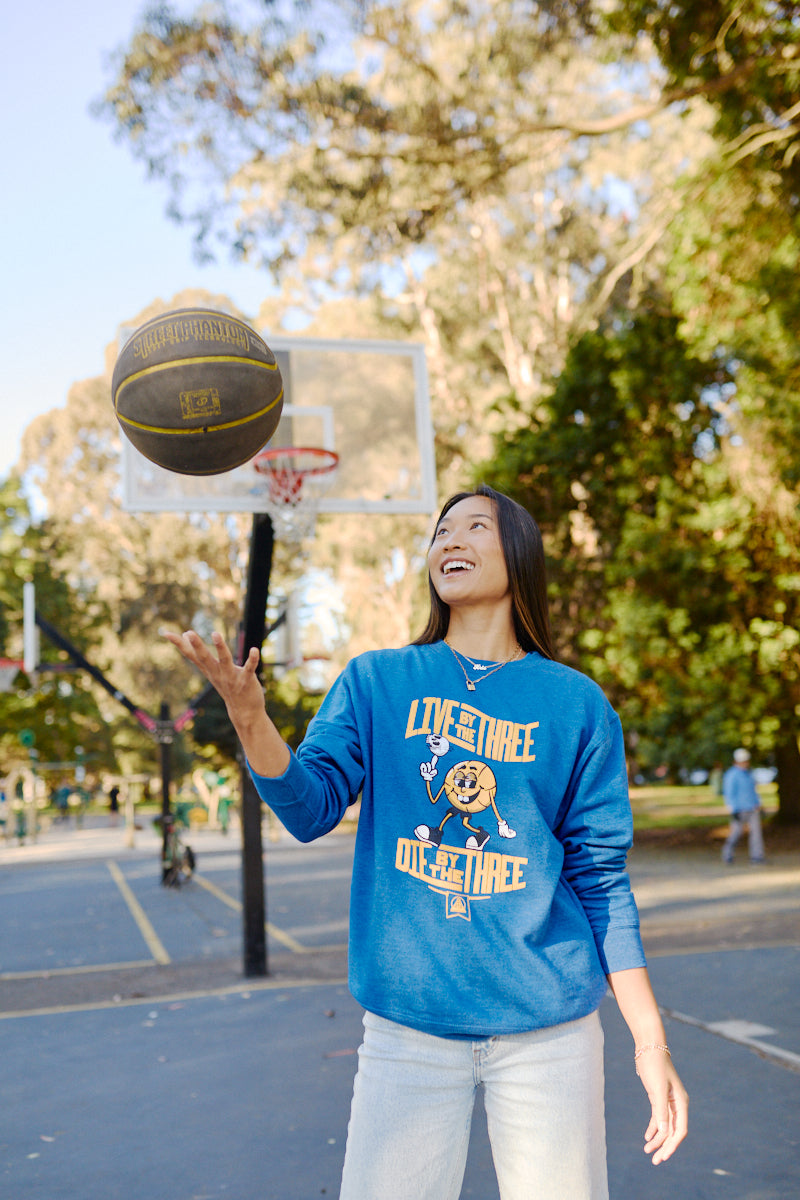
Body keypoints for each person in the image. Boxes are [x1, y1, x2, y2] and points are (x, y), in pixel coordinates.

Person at [165, 484, 688, 1199]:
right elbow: (308, 808)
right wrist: (251, 720)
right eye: (441, 532)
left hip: (548, 1035)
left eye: (476, 526)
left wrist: (650, 1043)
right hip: (407, 1035)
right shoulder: (378, 681)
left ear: (520, 557)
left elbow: (600, 881)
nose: (451, 541)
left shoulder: (575, 704)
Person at [721, 748, 765, 865]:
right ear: (737, 761)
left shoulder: (749, 773)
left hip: (752, 808)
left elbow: (753, 791)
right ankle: (727, 854)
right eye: (743, 761)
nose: (745, 763)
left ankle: (757, 857)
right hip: (739, 809)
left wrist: (759, 804)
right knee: (736, 833)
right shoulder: (732, 775)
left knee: (756, 833)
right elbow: (729, 793)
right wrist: (732, 809)